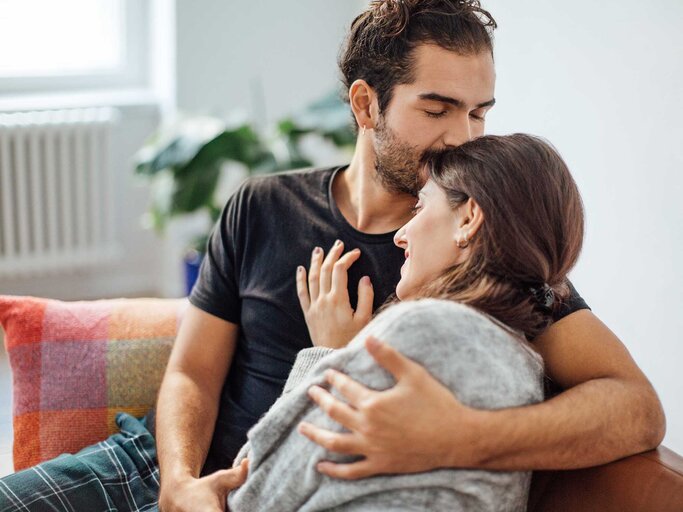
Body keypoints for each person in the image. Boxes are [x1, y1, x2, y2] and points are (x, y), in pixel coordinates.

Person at [0, 1, 664, 511]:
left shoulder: (477, 245)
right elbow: (193, 373)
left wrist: (456, 437)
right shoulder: (261, 205)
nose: (461, 138)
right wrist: (178, 482)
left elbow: (635, 408)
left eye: (478, 113)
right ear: (364, 103)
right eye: (437, 109)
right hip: (152, 465)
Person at [226, 133, 584, 511]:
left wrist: (327, 355)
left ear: (468, 218)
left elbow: (251, 487)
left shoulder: (422, 328)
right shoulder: (523, 362)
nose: (400, 235)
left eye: (419, 208)